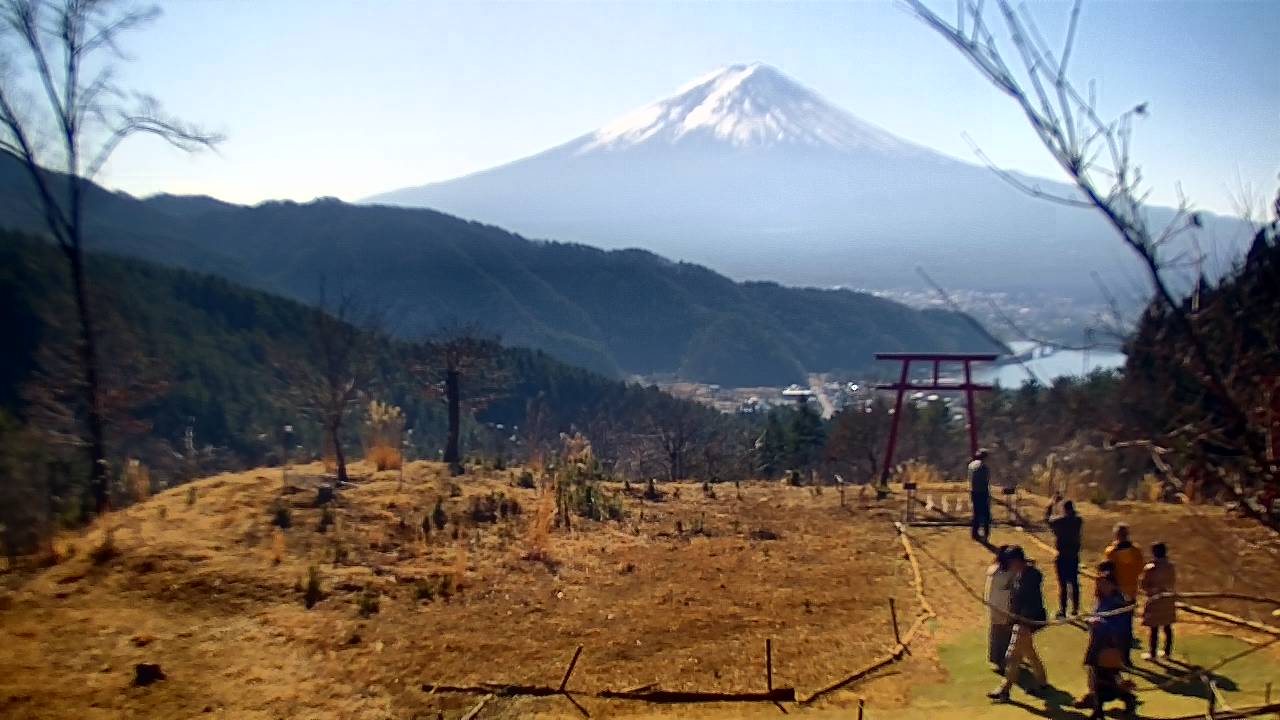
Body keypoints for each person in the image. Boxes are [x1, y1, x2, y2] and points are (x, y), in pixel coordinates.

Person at [1075, 569, 1138, 719]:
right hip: (1099, 641)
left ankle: (1101, 707)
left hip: (1111, 644)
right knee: (1101, 674)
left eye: (1104, 584)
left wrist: (1098, 622)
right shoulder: (1103, 600)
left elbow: (1118, 625)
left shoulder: (1119, 603)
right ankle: (1112, 703)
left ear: (1113, 585)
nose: (1101, 587)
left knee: (1106, 675)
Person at [988, 546, 1048, 702]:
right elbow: (1015, 598)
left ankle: (1004, 689)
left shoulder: (1031, 576)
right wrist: (1012, 618)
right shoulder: (1018, 574)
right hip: (1019, 619)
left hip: (1028, 619)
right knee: (1028, 653)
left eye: (1011, 562)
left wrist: (1023, 621)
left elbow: (1030, 601)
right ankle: (1042, 683)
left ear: (1017, 561)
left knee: (1012, 655)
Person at [1104, 523, 1144, 664]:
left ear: (1116, 536)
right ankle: (1126, 658)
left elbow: (1108, 572)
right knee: (1127, 626)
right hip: (1131, 591)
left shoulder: (1111, 553)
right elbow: (1140, 569)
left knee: (1113, 626)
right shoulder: (1136, 552)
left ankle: (1115, 656)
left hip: (1116, 593)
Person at [1140, 542, 1177, 660]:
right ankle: (1167, 652)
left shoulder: (1151, 568)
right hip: (1168, 599)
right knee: (1167, 626)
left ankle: (1153, 653)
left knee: (1154, 627)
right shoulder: (1171, 566)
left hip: (1155, 599)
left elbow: (1144, 584)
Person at [1048, 500, 1083, 618]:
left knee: (1063, 585)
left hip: (1062, 556)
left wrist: (1052, 504)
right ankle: (1075, 609)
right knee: (1074, 583)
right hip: (1073, 556)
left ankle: (1063, 610)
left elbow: (1049, 520)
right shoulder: (1078, 521)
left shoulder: (1060, 521)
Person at [984, 545, 1015, 673]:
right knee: (1003, 634)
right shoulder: (1005, 574)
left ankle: (998, 660)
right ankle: (1003, 661)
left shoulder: (993, 570)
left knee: (996, 633)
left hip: (994, 605)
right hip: (1003, 606)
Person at [968, 448, 992, 541]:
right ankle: (985, 534)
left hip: (973, 491)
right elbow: (986, 481)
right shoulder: (984, 467)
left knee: (976, 513)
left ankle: (974, 533)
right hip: (982, 492)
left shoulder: (971, 465)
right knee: (986, 514)